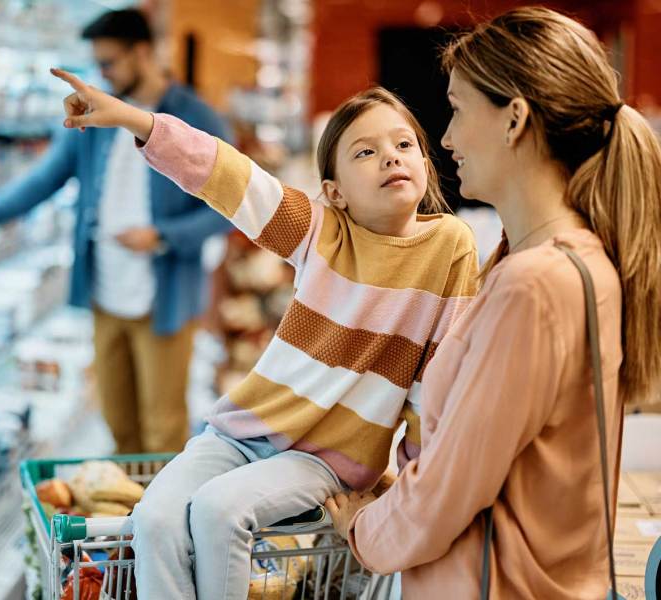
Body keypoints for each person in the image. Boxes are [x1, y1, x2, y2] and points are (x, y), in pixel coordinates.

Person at [50, 67, 480, 599]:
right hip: (240, 433)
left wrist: (409, 493)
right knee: (153, 520)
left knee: (218, 509)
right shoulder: (321, 233)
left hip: (325, 459)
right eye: (364, 153)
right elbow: (233, 178)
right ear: (334, 192)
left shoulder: (451, 246)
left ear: (424, 160)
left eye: (403, 143)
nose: (391, 156)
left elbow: (432, 387)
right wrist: (136, 121)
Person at [326, 7, 661, 599]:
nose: (446, 138)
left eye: (456, 109)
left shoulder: (534, 285)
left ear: (514, 121)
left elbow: (449, 490)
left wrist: (363, 526)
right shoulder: (558, 261)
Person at [0, 9, 232, 455]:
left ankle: (161, 521)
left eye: (110, 63)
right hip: (105, 293)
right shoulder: (98, 116)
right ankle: (133, 516)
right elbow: (45, 178)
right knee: (116, 422)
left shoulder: (195, 116)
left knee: (163, 427)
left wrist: (163, 236)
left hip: (164, 300)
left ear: (143, 52)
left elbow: (226, 208)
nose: (103, 74)